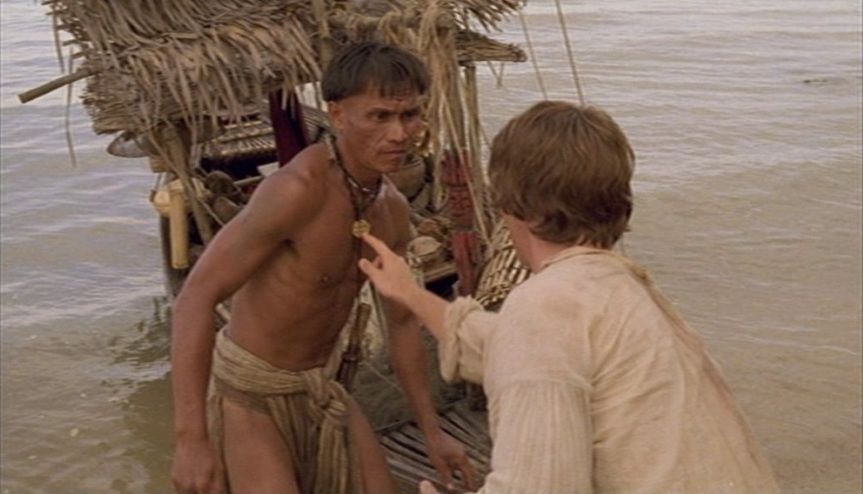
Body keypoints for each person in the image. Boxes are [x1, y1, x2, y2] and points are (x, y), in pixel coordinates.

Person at [359, 101, 781, 493]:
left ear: (515, 204)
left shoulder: (543, 308)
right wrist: (411, 294)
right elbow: (508, 346)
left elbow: (541, 484)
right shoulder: (618, 287)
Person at [170, 41, 475, 494]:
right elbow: (196, 296)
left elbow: (402, 324)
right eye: (379, 117)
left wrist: (433, 433)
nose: (399, 133)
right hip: (253, 393)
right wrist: (190, 439)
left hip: (323, 386)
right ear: (337, 115)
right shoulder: (296, 191)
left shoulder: (391, 210)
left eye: (409, 115)